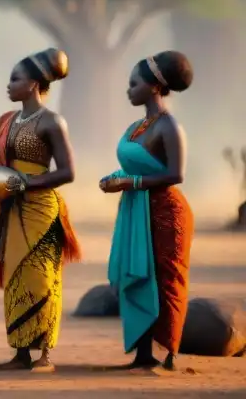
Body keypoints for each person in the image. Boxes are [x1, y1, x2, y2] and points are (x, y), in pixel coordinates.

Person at [101, 51, 195, 372]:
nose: (128, 89)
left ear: (154, 87)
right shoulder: (138, 126)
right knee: (138, 276)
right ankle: (142, 354)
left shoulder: (169, 126)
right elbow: (132, 164)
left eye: (133, 83)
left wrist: (132, 181)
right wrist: (115, 178)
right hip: (136, 209)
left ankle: (166, 353)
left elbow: (175, 175)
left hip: (165, 212)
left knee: (165, 278)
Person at [0, 48, 81, 373]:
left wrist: (26, 181)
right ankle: (20, 352)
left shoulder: (52, 121)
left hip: (41, 209)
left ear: (33, 84)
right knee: (16, 278)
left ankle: (45, 354)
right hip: (14, 208)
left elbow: (68, 171)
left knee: (42, 278)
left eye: (15, 78)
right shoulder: (8, 121)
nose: (9, 84)